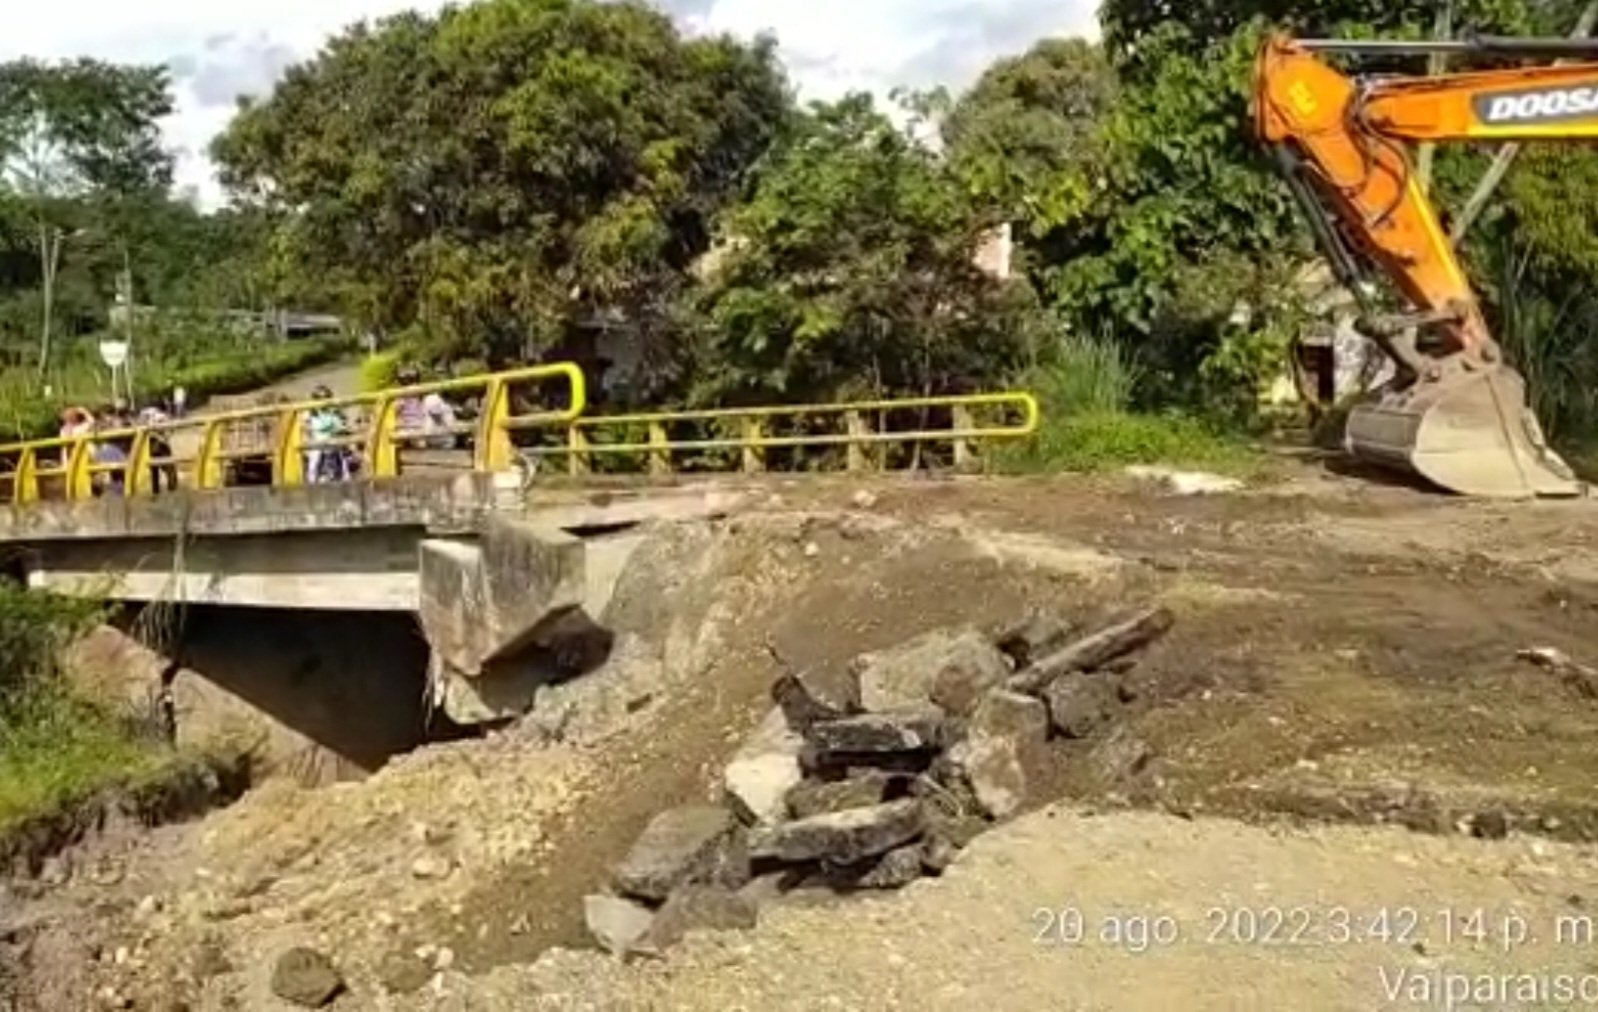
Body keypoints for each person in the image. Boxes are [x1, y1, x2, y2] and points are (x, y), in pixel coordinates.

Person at [304, 385, 354, 482]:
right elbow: (308, 428)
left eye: (326, 397)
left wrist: (340, 428)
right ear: (315, 399)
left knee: (342, 465)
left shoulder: (334, 412)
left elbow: (341, 426)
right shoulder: (310, 413)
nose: (323, 401)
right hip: (318, 443)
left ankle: (345, 480)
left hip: (333, 442)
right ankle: (312, 483)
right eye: (319, 398)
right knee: (314, 464)